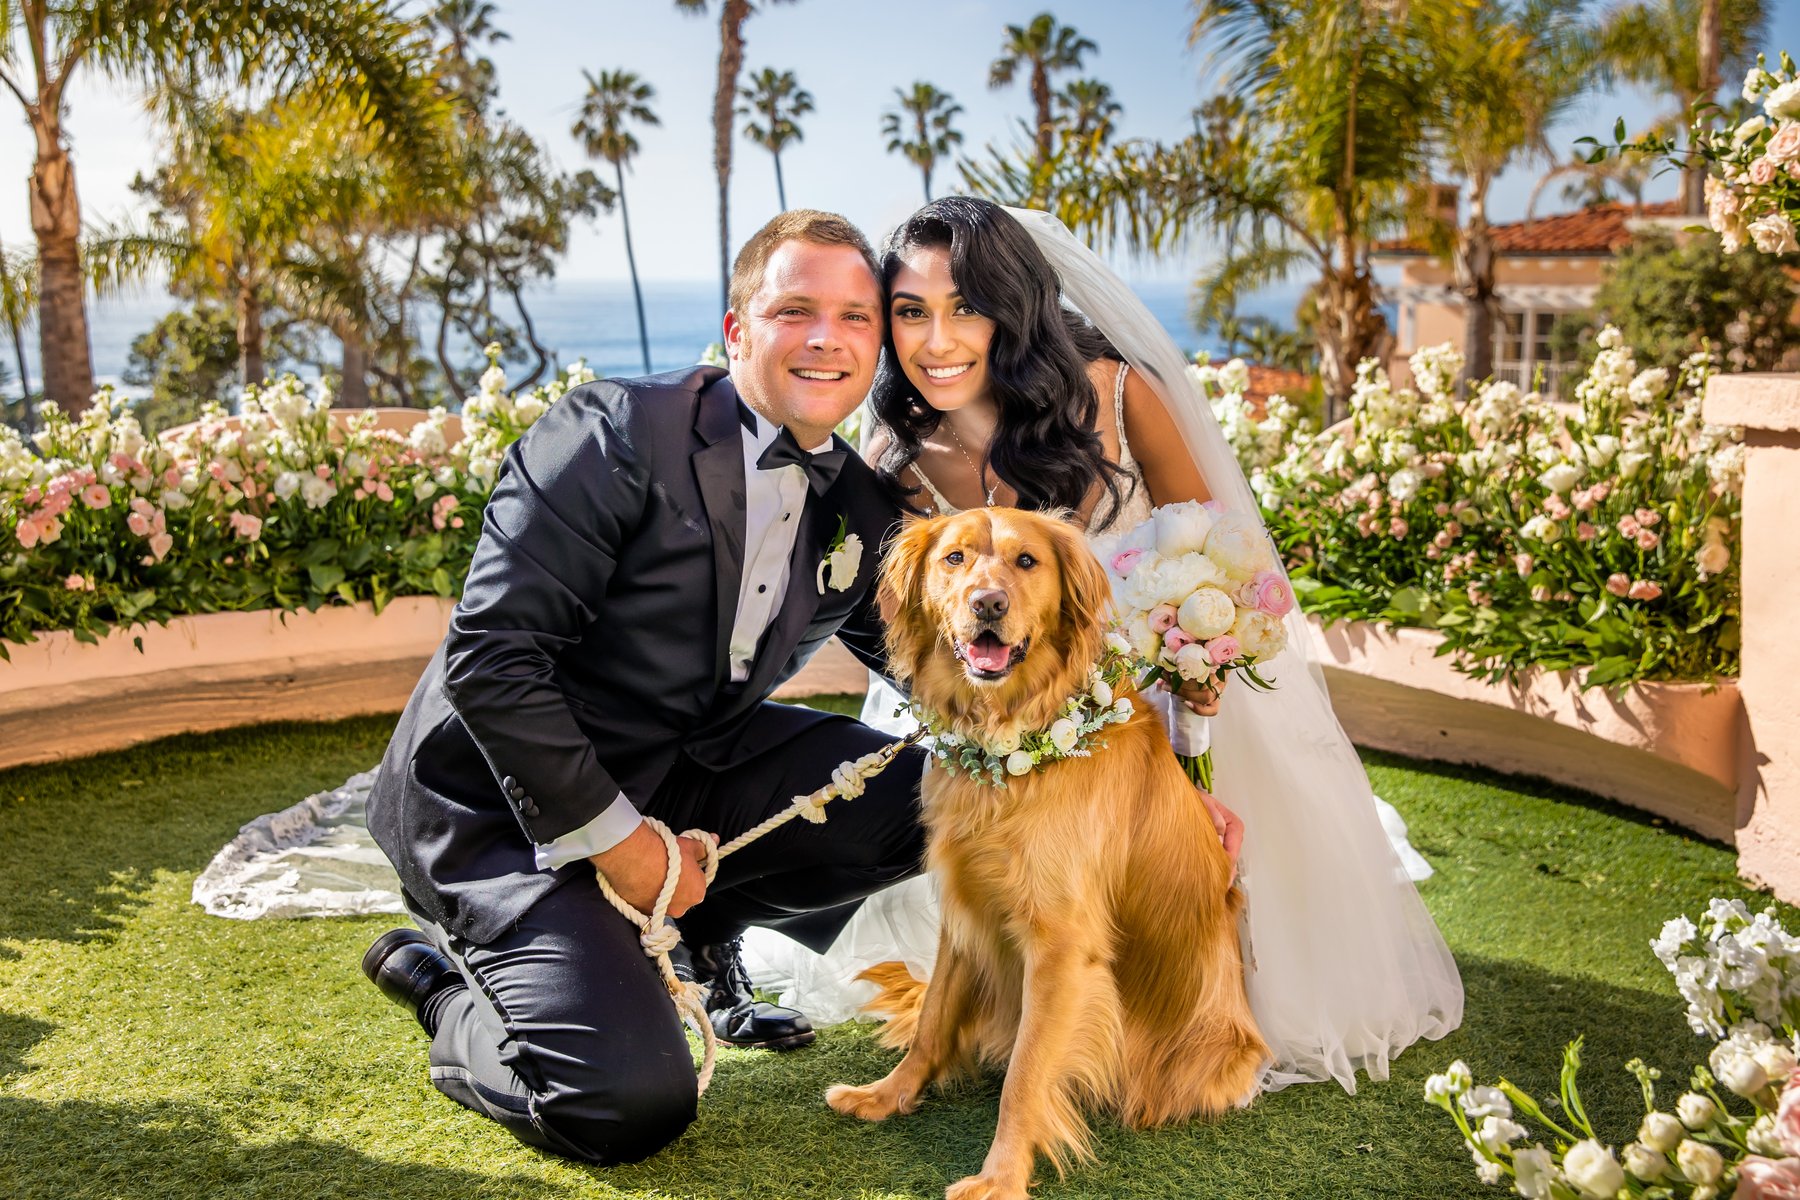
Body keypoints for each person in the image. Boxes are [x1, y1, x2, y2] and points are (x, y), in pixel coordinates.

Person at [760, 197, 1463, 1094]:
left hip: (1172, 698)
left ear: (1013, 306)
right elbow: (931, 626)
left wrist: (1188, 709)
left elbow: (1224, 558)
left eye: (965, 306)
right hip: (1003, 724)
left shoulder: (1121, 395)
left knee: (1191, 942)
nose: (936, 341)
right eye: (910, 311)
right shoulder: (896, 454)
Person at [358, 209, 928, 1165]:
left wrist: (1109, 731)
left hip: (682, 769)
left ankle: (700, 938)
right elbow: (492, 658)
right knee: (626, 1105)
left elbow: (928, 664)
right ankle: (440, 990)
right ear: (737, 330)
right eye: (795, 310)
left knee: (935, 798)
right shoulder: (615, 430)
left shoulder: (861, 507)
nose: (827, 338)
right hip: (500, 809)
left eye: (855, 317)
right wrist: (621, 847)